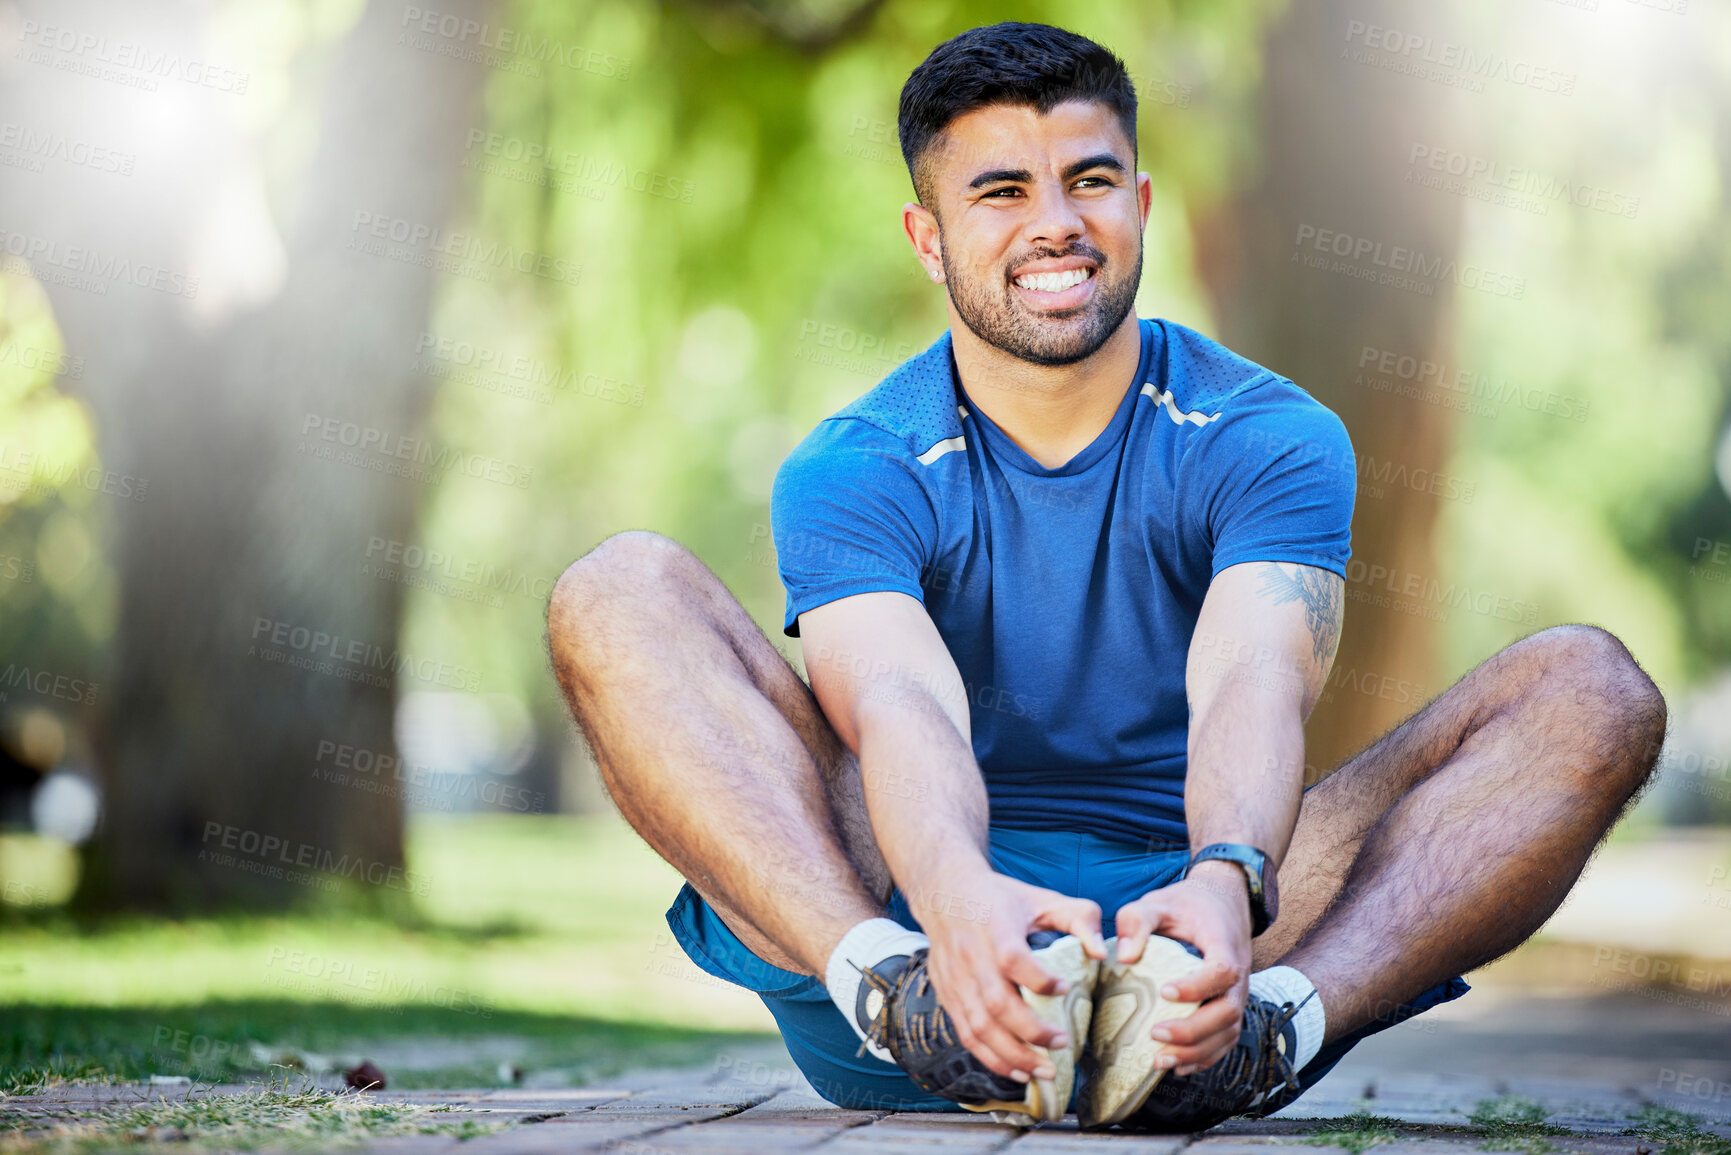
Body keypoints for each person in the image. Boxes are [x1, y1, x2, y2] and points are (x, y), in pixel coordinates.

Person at [545, 21, 1666, 1132]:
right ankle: (890, 992)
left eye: (1089, 180)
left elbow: (1253, 679)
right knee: (616, 589)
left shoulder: (1267, 431)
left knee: (1593, 690)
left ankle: (1277, 1026)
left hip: (1205, 944)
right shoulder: (858, 463)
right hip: (923, 911)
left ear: (1140, 203)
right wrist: (951, 905)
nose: (1056, 224)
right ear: (927, 238)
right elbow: (894, 702)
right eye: (999, 192)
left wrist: (1225, 884)